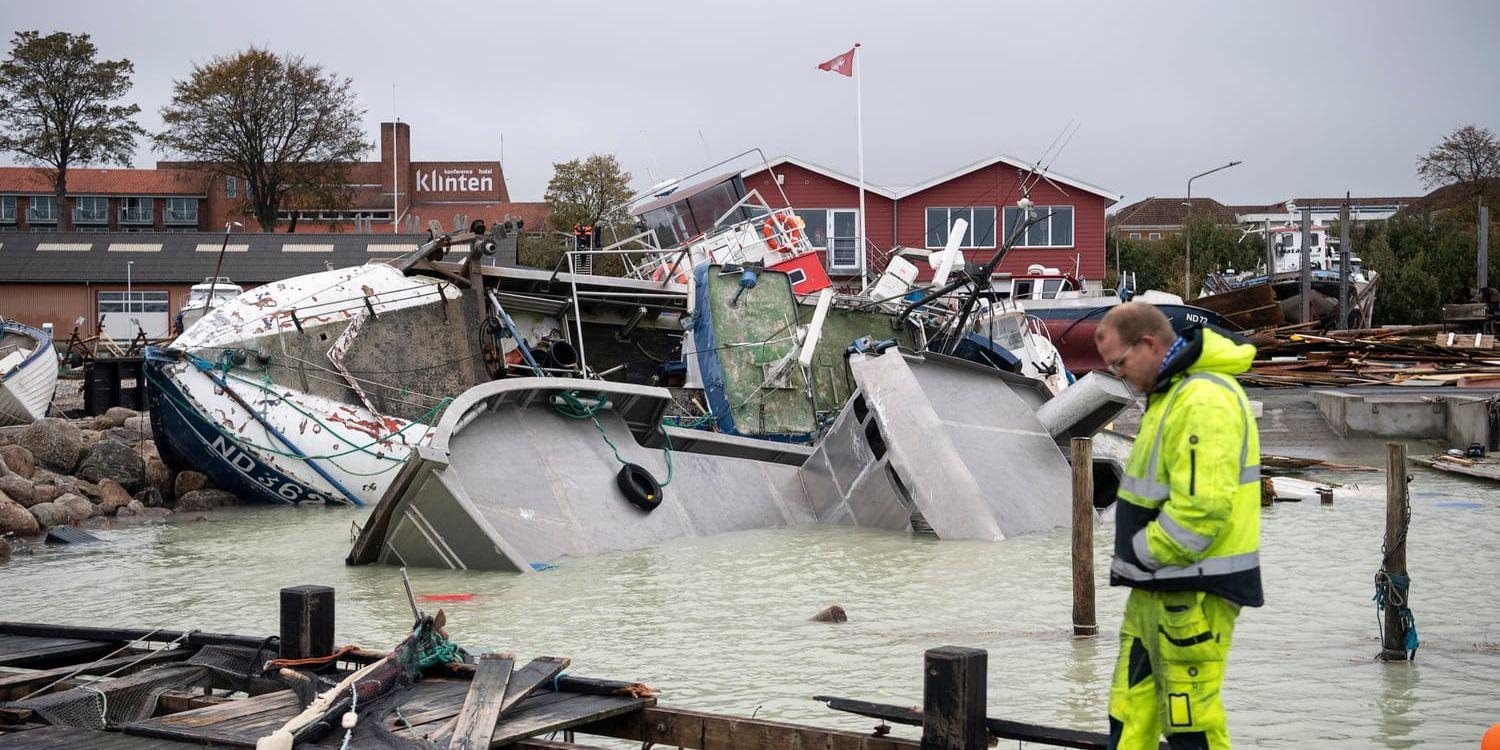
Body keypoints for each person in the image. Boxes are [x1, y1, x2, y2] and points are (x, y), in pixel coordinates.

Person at [1093, 302, 1263, 750]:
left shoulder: (1202, 399)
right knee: (1131, 709)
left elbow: (1201, 511)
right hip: (1160, 587)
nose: (1119, 375)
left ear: (1149, 344)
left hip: (1192, 589)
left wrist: (1141, 554)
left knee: (1190, 718)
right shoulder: (1172, 393)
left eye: (1120, 363)